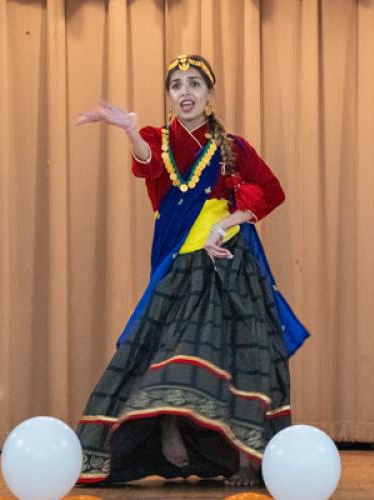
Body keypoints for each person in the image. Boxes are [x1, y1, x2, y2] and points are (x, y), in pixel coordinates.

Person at [75, 54, 308, 487]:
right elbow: (148, 162)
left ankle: (247, 461)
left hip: (231, 265)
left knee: (243, 353)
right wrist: (127, 130)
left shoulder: (232, 148)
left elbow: (272, 191)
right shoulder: (159, 139)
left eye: (195, 84)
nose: (185, 92)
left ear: (210, 95)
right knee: (167, 348)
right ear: (168, 95)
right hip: (180, 265)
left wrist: (227, 222)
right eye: (176, 84)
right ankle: (166, 424)